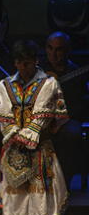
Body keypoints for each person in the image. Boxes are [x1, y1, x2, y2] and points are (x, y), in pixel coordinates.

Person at [0, 40, 69, 215]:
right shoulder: (5, 85)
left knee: (42, 184)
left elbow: (47, 114)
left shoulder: (48, 83)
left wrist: (32, 135)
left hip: (40, 144)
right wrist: (15, 135)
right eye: (19, 62)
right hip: (14, 145)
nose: (22, 67)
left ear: (35, 61)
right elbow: (4, 115)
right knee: (17, 187)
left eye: (26, 62)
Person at [42, 31, 87, 188]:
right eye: (50, 48)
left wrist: (59, 122)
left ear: (67, 51)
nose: (53, 54)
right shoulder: (37, 70)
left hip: (67, 119)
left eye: (59, 49)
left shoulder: (77, 73)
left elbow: (78, 106)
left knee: (72, 135)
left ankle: (62, 185)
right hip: (40, 118)